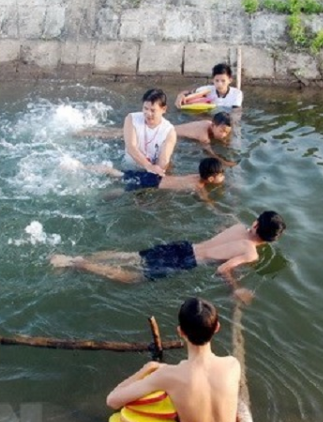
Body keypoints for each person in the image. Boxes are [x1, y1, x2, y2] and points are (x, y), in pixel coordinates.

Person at [50, 211, 286, 304]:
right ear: (271, 240)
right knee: (132, 278)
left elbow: (223, 227)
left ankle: (80, 256)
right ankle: (80, 264)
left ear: (255, 224)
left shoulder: (238, 226)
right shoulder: (251, 253)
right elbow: (222, 269)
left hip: (184, 247)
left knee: (133, 256)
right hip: (186, 262)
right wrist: (235, 289)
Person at [106, 297, 240, 422]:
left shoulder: (167, 376)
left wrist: (148, 367)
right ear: (217, 327)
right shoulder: (233, 366)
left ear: (180, 332)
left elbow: (113, 401)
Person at [69, 157, 225, 201]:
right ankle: (96, 198)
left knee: (118, 174)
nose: (223, 177)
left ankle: (80, 166)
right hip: (153, 184)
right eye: (221, 175)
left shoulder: (195, 175)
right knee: (123, 190)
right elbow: (207, 203)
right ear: (210, 179)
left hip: (154, 176)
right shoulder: (198, 187)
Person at [123, 88, 178, 177]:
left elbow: (164, 160)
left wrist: (157, 172)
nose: (148, 113)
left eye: (153, 110)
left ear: (163, 109)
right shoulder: (131, 119)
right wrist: (148, 166)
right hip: (130, 168)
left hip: (153, 170)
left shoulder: (169, 131)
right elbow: (131, 147)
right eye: (145, 108)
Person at [174, 63, 243, 109]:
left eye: (223, 81)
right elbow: (188, 93)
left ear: (230, 80)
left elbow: (236, 113)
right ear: (213, 80)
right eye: (217, 80)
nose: (219, 84)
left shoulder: (237, 94)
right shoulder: (208, 90)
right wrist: (180, 96)